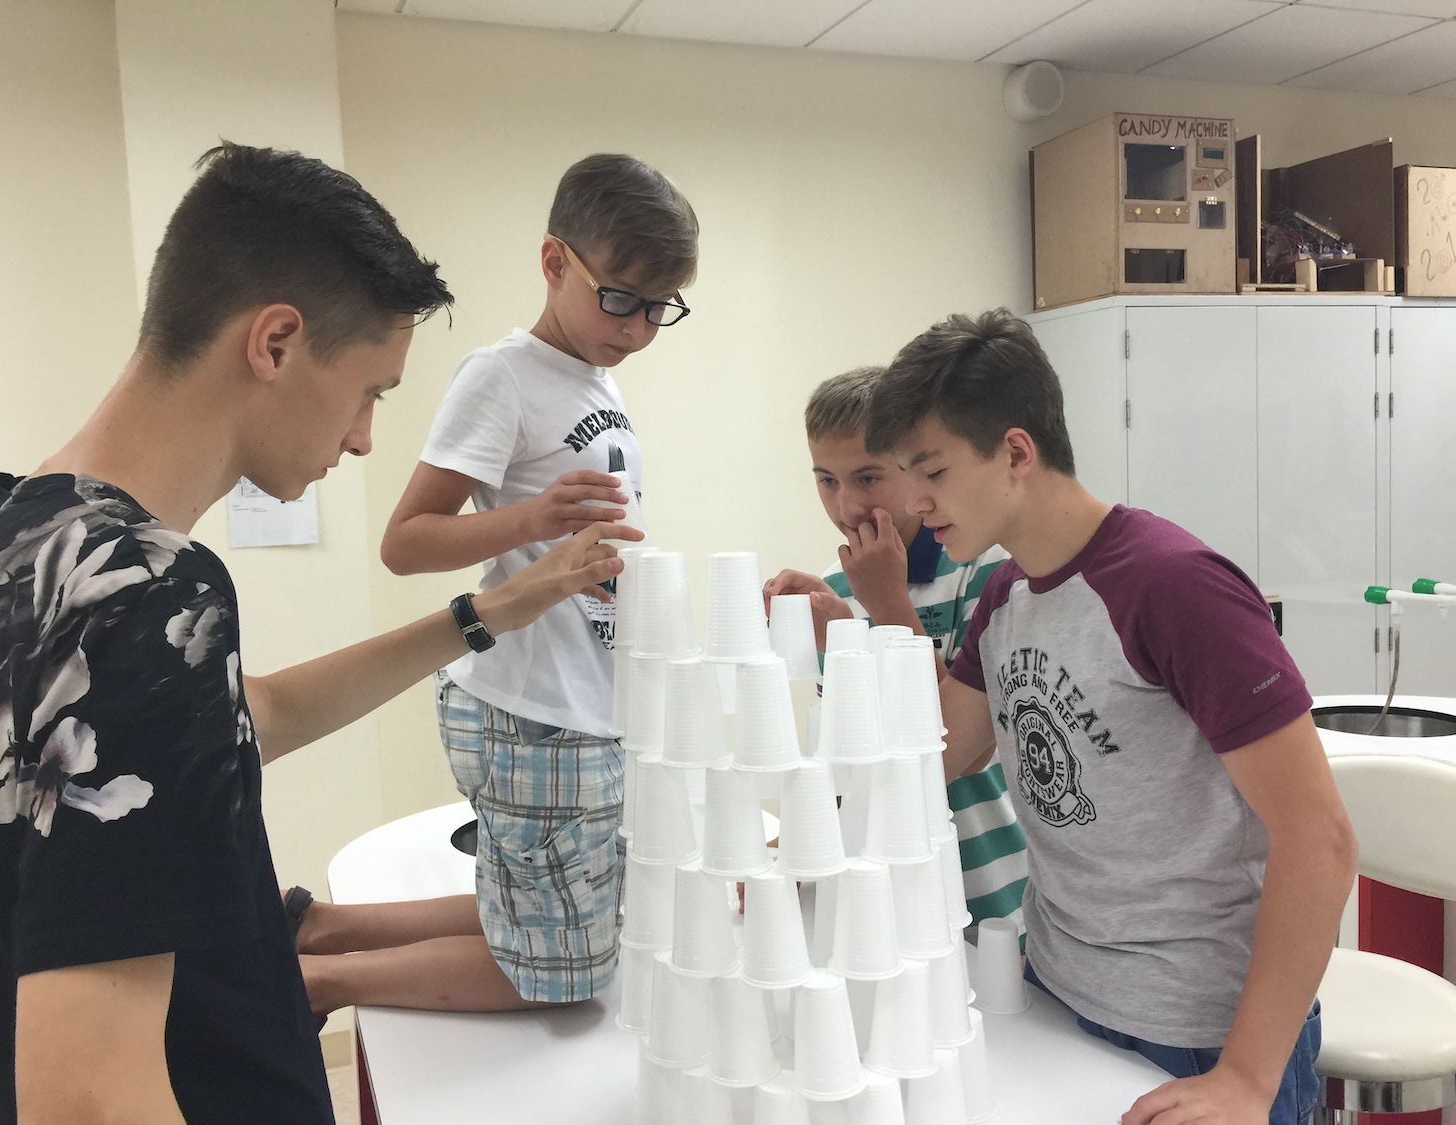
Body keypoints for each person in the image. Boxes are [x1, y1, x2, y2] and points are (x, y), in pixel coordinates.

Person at [0, 142, 636, 1125]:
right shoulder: (149, 603)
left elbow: (242, 718)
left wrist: (483, 615)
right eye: (370, 392)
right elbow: (89, 1100)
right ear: (274, 343)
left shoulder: (3, 538)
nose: (364, 438)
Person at [863, 308, 1357, 1125]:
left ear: (1016, 452)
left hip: (1195, 1034)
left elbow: (1323, 838)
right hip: (1054, 989)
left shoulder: (1174, 586)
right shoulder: (1006, 594)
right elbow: (938, 751)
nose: (915, 502)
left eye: (933, 472)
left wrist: (1245, 1077)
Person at [291, 153, 699, 1016]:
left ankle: (323, 930)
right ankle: (312, 983)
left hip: (585, 698)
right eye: (620, 297)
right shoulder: (503, 375)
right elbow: (406, 541)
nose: (636, 327)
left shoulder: (597, 378)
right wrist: (533, 520)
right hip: (533, 707)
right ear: (555, 263)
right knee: (572, 971)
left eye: (659, 309)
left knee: (562, 911)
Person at [762, 365, 1027, 930]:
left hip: (988, 884)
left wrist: (887, 610)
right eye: (826, 480)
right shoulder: (839, 587)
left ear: (914, 469)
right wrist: (809, 834)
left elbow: (960, 751)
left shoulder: (985, 573)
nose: (846, 505)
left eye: (868, 477)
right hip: (885, 896)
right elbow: (853, 758)